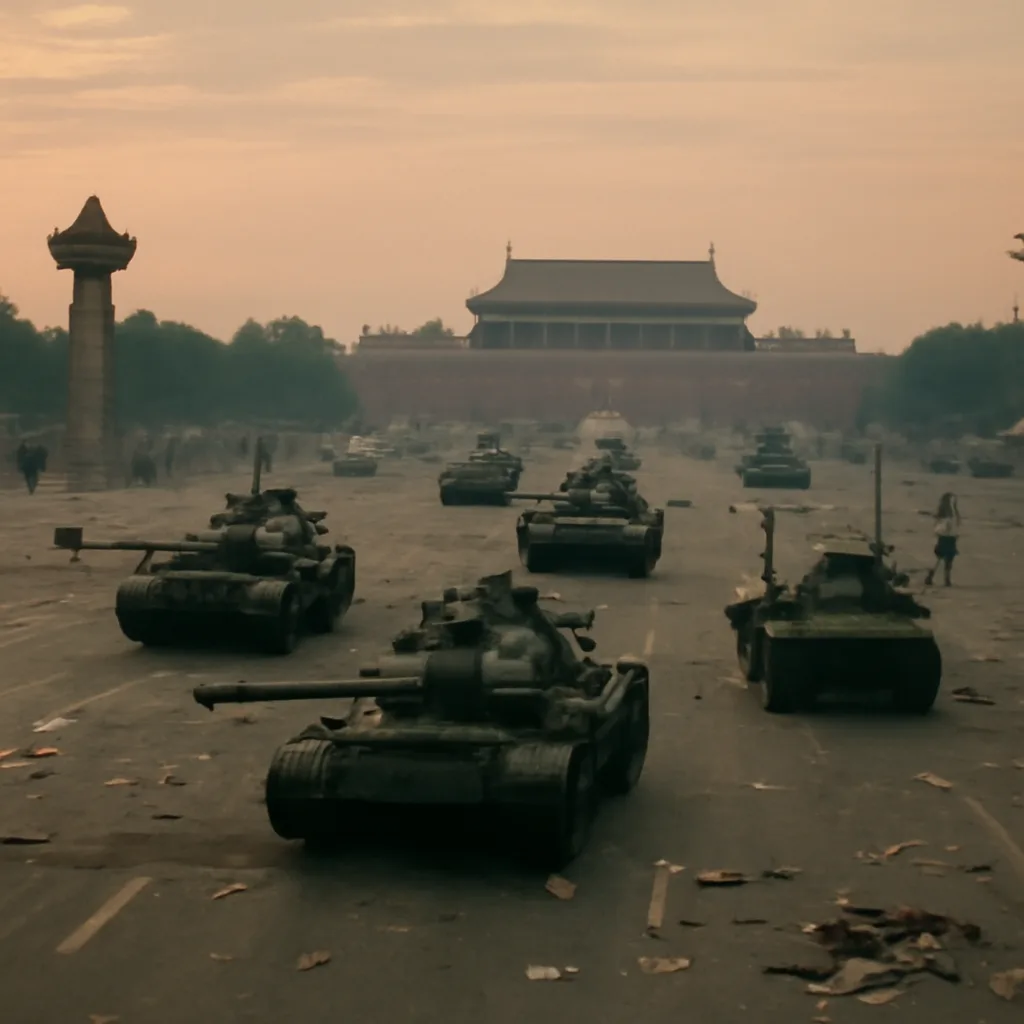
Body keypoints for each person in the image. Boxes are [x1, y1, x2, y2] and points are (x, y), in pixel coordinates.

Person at [925, 492, 960, 587]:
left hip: (946, 537)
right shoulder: (949, 513)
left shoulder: (944, 512)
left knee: (942, 558)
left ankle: (935, 577)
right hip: (948, 537)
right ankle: (944, 579)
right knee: (947, 559)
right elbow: (955, 522)